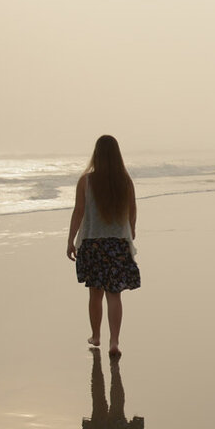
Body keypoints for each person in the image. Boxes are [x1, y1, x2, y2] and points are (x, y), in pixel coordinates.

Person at [67, 135, 140, 355]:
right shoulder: (125, 181)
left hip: (93, 244)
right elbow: (133, 210)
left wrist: (70, 240)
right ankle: (114, 341)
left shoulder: (86, 181)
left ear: (96, 154)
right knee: (114, 295)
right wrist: (131, 232)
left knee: (95, 293)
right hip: (117, 243)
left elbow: (79, 211)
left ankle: (96, 335)